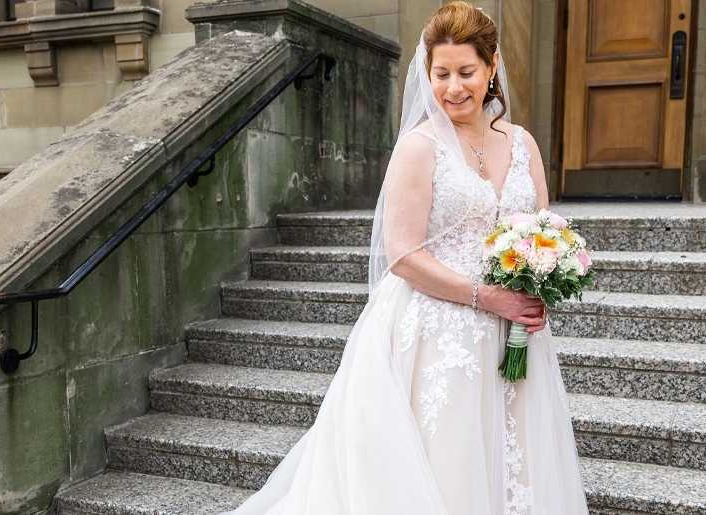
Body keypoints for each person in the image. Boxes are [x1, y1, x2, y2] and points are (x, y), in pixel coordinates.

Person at [221, 2, 590, 513]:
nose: (453, 88)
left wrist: (541, 277)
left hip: (513, 329)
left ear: (492, 66)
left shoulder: (523, 143)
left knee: (512, 460)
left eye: (466, 72)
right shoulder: (420, 146)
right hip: (440, 328)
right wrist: (491, 299)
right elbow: (403, 256)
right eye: (441, 74)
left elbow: (542, 226)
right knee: (448, 462)